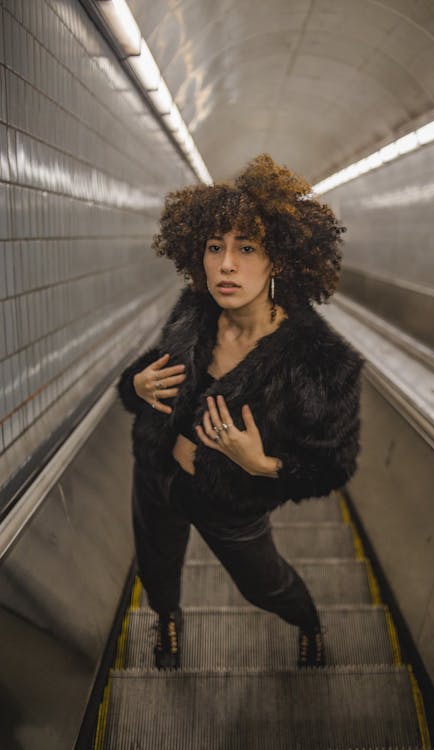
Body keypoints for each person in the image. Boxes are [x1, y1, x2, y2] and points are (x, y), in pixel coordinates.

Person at [117, 153, 363, 670]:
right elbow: (151, 372)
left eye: (246, 248)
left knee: (264, 585)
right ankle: (166, 617)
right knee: (156, 563)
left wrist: (265, 466)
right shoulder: (194, 310)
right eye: (214, 247)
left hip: (230, 501)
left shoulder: (320, 362)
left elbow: (335, 464)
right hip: (155, 473)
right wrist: (135, 385)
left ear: (279, 259)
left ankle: (308, 621)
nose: (226, 264)